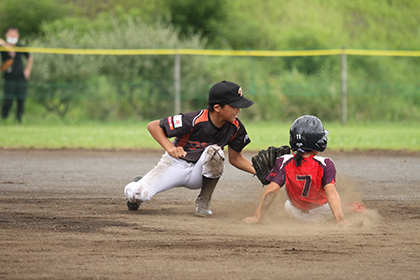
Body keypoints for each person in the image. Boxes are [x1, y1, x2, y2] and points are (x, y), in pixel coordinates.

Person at [124, 80, 256, 216]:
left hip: (200, 173)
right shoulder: (193, 119)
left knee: (215, 151)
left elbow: (236, 158)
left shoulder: (235, 127)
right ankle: (137, 183)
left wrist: (260, 172)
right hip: (174, 164)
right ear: (217, 107)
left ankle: (204, 200)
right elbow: (153, 126)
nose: (239, 110)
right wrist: (170, 147)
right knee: (137, 195)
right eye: (234, 106)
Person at [243, 115, 349, 226]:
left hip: (296, 213)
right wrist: (340, 220)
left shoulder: (284, 161)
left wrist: (256, 217)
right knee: (337, 198)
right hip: (322, 213)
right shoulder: (326, 163)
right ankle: (345, 212)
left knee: (287, 204)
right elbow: (330, 192)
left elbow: (272, 190)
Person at [0, 26, 33, 123]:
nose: (12, 36)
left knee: (21, 100)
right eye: (11, 34)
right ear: (6, 35)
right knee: (8, 100)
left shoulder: (20, 46)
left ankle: (19, 120)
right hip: (9, 77)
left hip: (21, 77)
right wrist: (8, 47)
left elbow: (30, 57)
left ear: (18, 36)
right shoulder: (3, 47)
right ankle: (3, 119)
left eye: (15, 34)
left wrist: (28, 70)